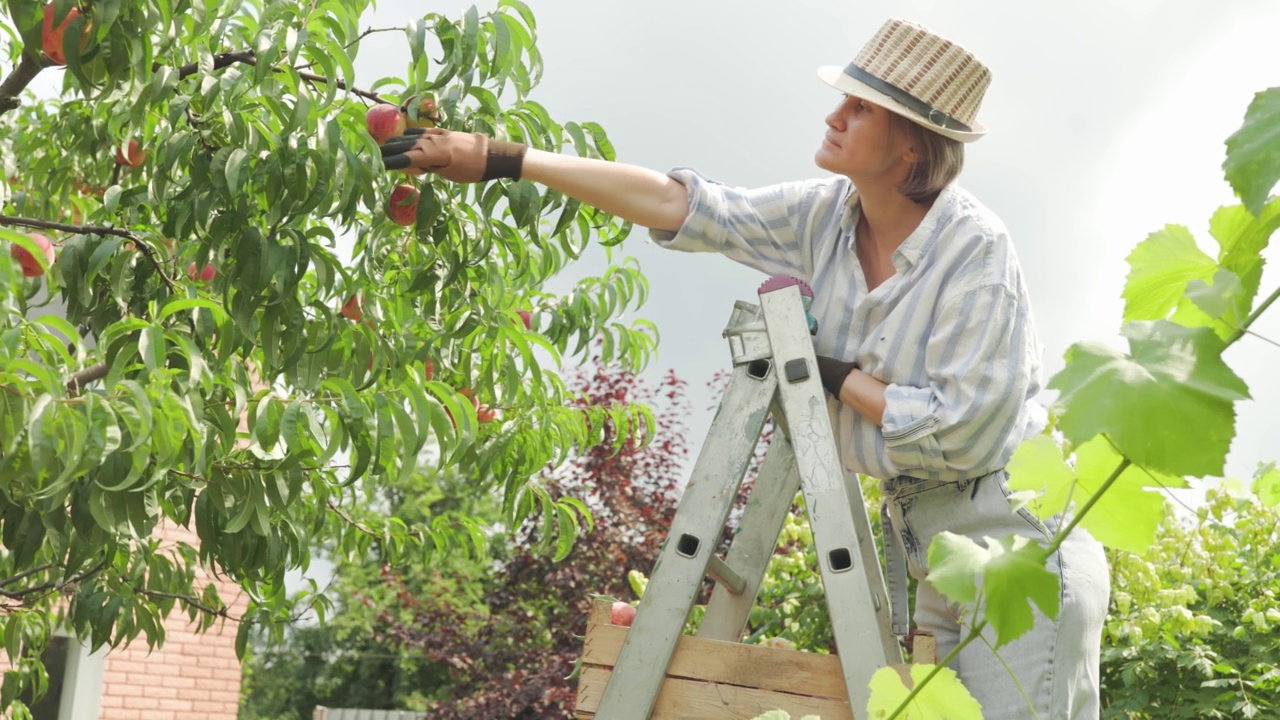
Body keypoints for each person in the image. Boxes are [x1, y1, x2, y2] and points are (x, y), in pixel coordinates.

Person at [378, 17, 1110, 720]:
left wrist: (833, 372)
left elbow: (963, 433)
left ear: (910, 149)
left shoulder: (974, 251)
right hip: (935, 561)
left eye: (860, 108)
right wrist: (503, 159)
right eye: (844, 99)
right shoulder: (825, 219)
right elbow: (687, 207)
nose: (835, 116)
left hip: (1018, 548)